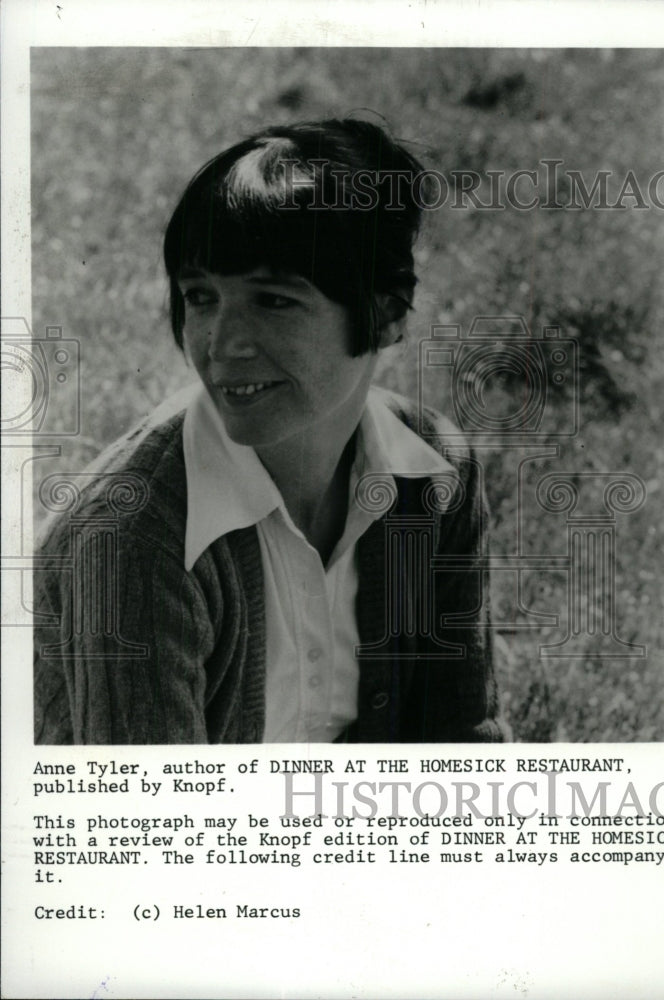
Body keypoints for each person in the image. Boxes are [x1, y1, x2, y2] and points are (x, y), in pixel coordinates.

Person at [33, 117, 506, 745]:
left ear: (385, 314)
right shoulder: (134, 535)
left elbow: (463, 746)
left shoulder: (436, 472)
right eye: (201, 297)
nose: (221, 344)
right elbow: (152, 827)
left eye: (274, 301)